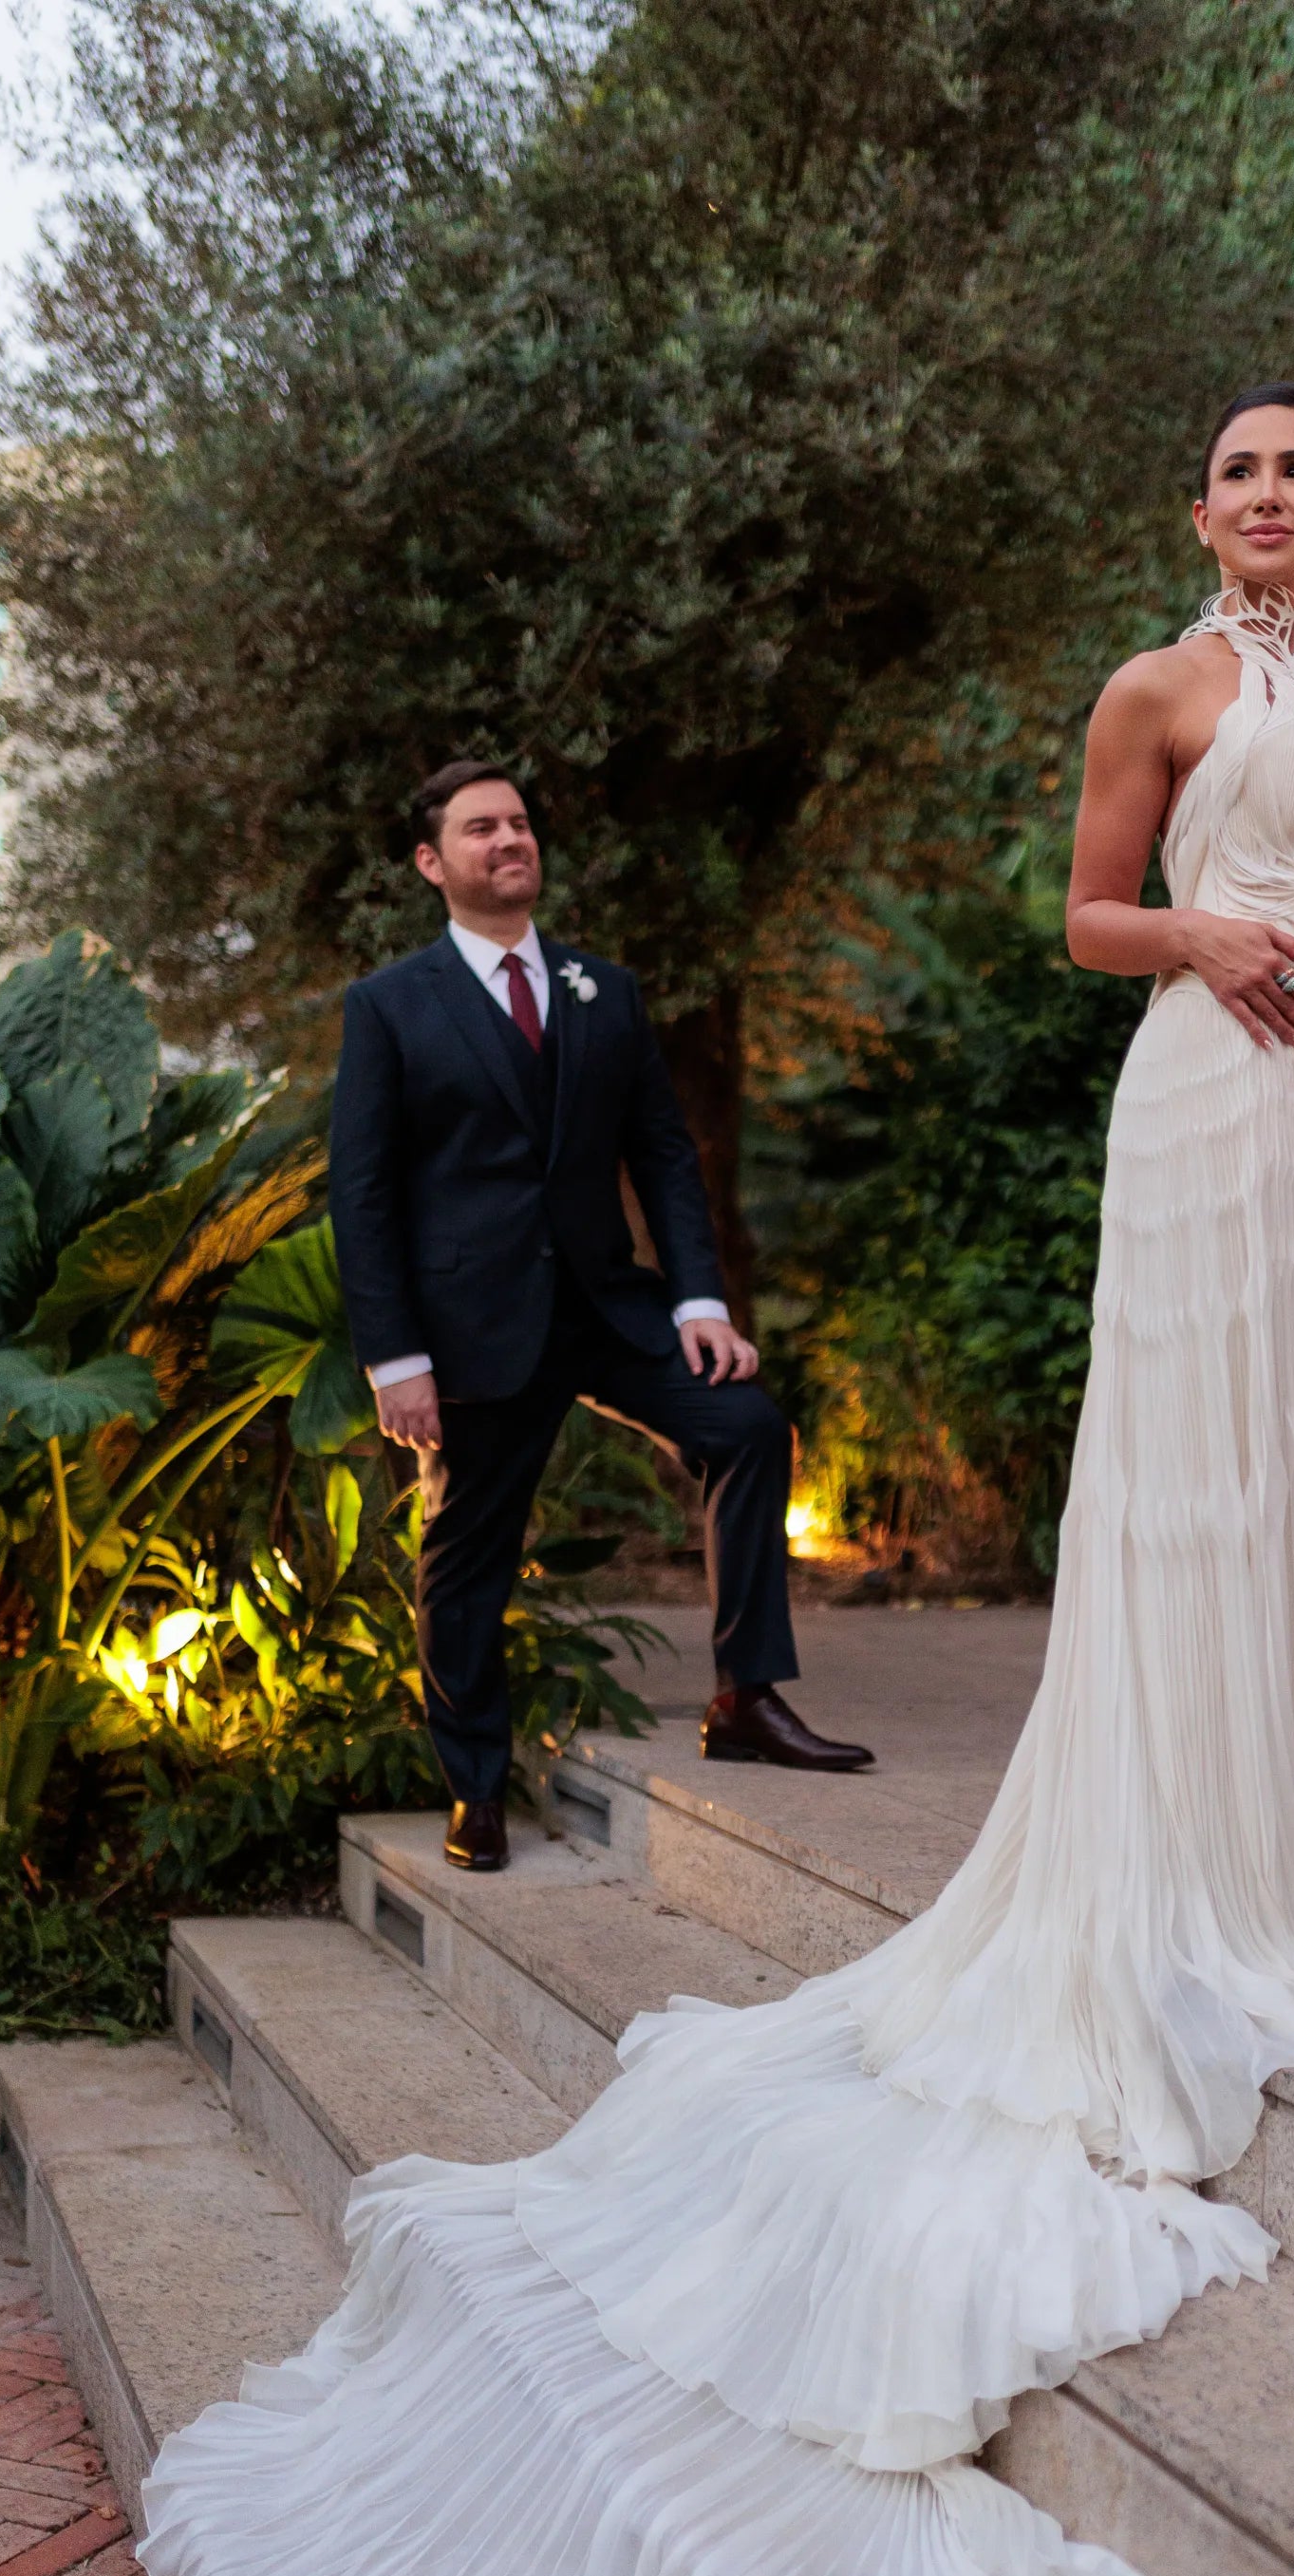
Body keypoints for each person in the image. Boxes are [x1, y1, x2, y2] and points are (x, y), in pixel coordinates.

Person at [139, 385, 1294, 2576]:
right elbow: (1085, 918)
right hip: (1207, 1112)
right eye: (1240, 471)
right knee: (1202, 1507)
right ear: (1198, 510)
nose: (1276, 497)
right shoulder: (1158, 694)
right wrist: (1194, 932)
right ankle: (1178, 1853)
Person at [328, 758, 872, 1871]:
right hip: (474, 1332)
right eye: (480, 828)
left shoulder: (601, 990)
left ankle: (744, 1700)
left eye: (519, 823)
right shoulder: (389, 1006)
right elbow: (365, 1192)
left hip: (608, 1311)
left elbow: (663, 1155)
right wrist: (395, 1357)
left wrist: (700, 1300)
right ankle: (474, 1788)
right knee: (466, 1559)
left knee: (749, 1430)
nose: (508, 840)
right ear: (433, 863)